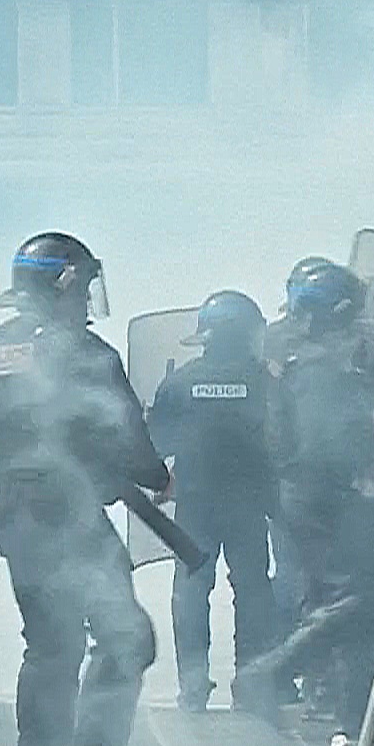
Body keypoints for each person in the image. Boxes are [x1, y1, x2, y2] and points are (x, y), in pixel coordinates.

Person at [0, 232, 166, 746]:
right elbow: (127, 436)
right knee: (127, 637)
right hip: (71, 518)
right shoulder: (85, 353)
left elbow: (13, 431)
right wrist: (156, 476)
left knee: (50, 646)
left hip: (18, 518)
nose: (86, 303)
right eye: (83, 288)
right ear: (65, 283)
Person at [235, 260, 374, 737]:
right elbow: (323, 443)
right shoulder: (330, 367)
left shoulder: (295, 359)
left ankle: (357, 712)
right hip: (333, 497)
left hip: (306, 496)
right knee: (363, 598)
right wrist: (367, 474)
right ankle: (269, 673)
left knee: (350, 599)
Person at [148, 290, 276, 713]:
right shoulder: (265, 382)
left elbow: (156, 443)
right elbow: (287, 439)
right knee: (253, 591)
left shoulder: (180, 382)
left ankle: (192, 685)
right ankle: (252, 683)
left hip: (195, 507)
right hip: (249, 506)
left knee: (190, 592)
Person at [262, 257, 332, 707]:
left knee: (295, 578)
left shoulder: (272, 339)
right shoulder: (340, 341)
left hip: (288, 481)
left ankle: (286, 675)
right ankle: (313, 678)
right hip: (318, 480)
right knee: (316, 582)